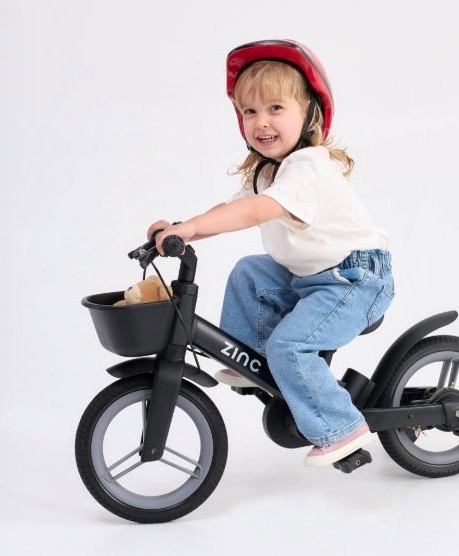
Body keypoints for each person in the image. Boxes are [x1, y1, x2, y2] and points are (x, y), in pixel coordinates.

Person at [146, 39, 394, 467]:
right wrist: (181, 229)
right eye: (250, 111)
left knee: (290, 347)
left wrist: (189, 230)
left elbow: (255, 211)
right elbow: (229, 208)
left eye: (276, 108)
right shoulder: (269, 171)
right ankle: (250, 358)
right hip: (311, 278)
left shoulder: (308, 167)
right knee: (250, 272)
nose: (261, 122)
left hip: (356, 280)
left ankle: (342, 427)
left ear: (309, 114)